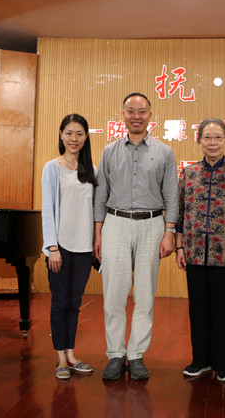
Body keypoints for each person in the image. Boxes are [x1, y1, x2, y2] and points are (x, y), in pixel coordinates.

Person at [93, 92, 179, 381]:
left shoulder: (164, 152)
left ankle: (136, 354)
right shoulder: (109, 151)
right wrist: (98, 233)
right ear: (123, 114)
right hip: (115, 224)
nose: (136, 116)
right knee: (113, 295)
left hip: (152, 225)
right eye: (131, 110)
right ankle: (116, 354)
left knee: (144, 295)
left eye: (142, 111)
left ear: (150, 115)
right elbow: (100, 196)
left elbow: (172, 195)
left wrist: (169, 232)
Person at [174, 118, 225, 383]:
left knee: (224, 311)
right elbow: (180, 214)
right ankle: (200, 360)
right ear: (198, 140)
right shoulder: (188, 173)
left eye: (218, 137)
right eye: (207, 137)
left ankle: (222, 364)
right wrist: (179, 247)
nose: (212, 142)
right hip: (194, 253)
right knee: (198, 310)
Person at [41, 113, 97, 379]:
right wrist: (52, 247)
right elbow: (47, 210)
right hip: (60, 248)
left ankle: (71, 354)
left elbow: (97, 211)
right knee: (60, 303)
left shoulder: (92, 171)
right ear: (61, 135)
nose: (74, 138)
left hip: (84, 249)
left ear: (86, 138)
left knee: (74, 304)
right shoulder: (52, 168)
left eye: (79, 134)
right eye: (69, 133)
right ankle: (60, 358)